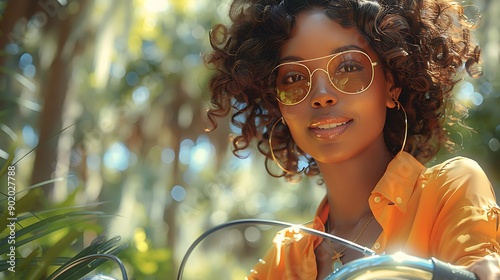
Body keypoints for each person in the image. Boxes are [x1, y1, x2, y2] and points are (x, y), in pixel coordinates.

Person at [204, 0, 500, 279]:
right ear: (279, 103)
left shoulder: (449, 191)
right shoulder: (283, 259)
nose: (321, 95)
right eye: (293, 78)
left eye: (348, 67)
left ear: (391, 86)